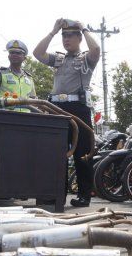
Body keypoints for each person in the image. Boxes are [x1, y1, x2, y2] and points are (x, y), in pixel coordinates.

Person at [33, 18, 100, 207]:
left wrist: (84, 27)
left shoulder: (86, 58)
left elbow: (96, 50)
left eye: (71, 35)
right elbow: (37, 53)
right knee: (56, 152)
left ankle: (84, 196)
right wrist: (53, 31)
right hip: (57, 109)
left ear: (79, 38)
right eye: (64, 35)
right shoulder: (58, 58)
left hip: (78, 109)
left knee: (82, 153)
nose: (66, 39)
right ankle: (57, 194)